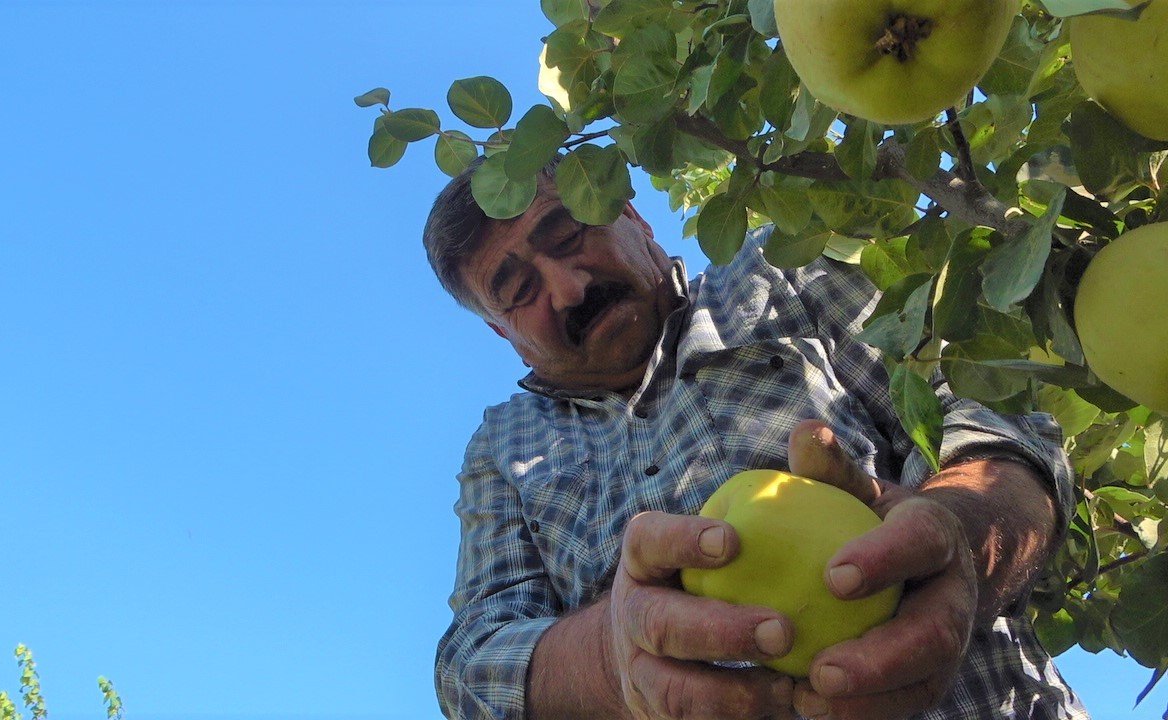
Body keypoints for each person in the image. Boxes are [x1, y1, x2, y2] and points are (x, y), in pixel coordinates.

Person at [427, 158, 1089, 720]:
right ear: (502, 333)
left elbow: (991, 429)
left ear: (633, 218)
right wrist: (611, 654)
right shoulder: (505, 446)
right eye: (519, 290)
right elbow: (472, 663)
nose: (569, 289)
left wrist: (959, 540)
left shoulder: (785, 269)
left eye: (568, 235)